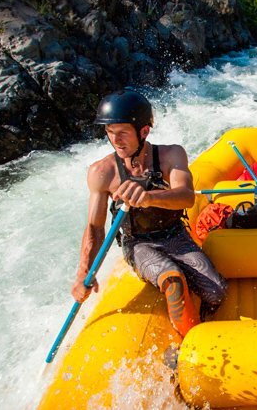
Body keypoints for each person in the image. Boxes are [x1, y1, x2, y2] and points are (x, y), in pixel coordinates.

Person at [70, 89, 227, 338]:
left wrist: (148, 197)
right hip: (139, 243)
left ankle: (202, 316)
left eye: (122, 133)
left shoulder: (171, 155)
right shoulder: (102, 172)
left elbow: (186, 196)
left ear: (144, 131)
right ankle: (188, 343)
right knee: (173, 280)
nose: (115, 140)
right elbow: (95, 228)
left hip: (176, 235)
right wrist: (83, 274)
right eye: (110, 133)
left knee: (216, 292)